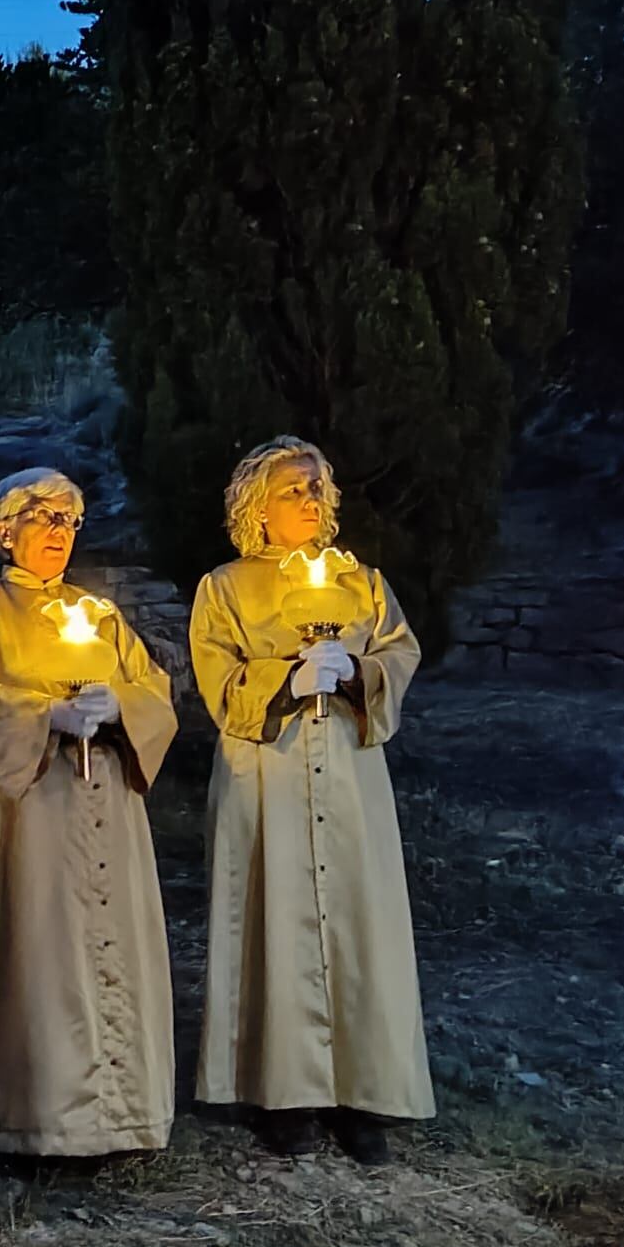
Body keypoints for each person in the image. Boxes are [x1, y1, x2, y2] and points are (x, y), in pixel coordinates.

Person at [191, 436, 431, 1164]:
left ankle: (364, 1093)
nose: (310, 498)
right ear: (257, 506)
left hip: (351, 774)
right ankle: (284, 1094)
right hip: (268, 768)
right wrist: (283, 682)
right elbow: (216, 678)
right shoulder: (225, 588)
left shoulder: (362, 584)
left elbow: (400, 652)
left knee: (359, 920)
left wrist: (356, 669)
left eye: (317, 487)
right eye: (293, 488)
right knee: (276, 914)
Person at [0, 468, 178, 1157]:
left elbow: (151, 690)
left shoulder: (98, 615)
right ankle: (40, 1120)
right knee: (38, 951)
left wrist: (120, 708)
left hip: (108, 809)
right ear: (5, 532)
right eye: (43, 520)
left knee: (113, 947)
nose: (58, 535)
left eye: (69, 522)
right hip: (28, 812)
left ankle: (125, 1116)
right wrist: (48, 716)